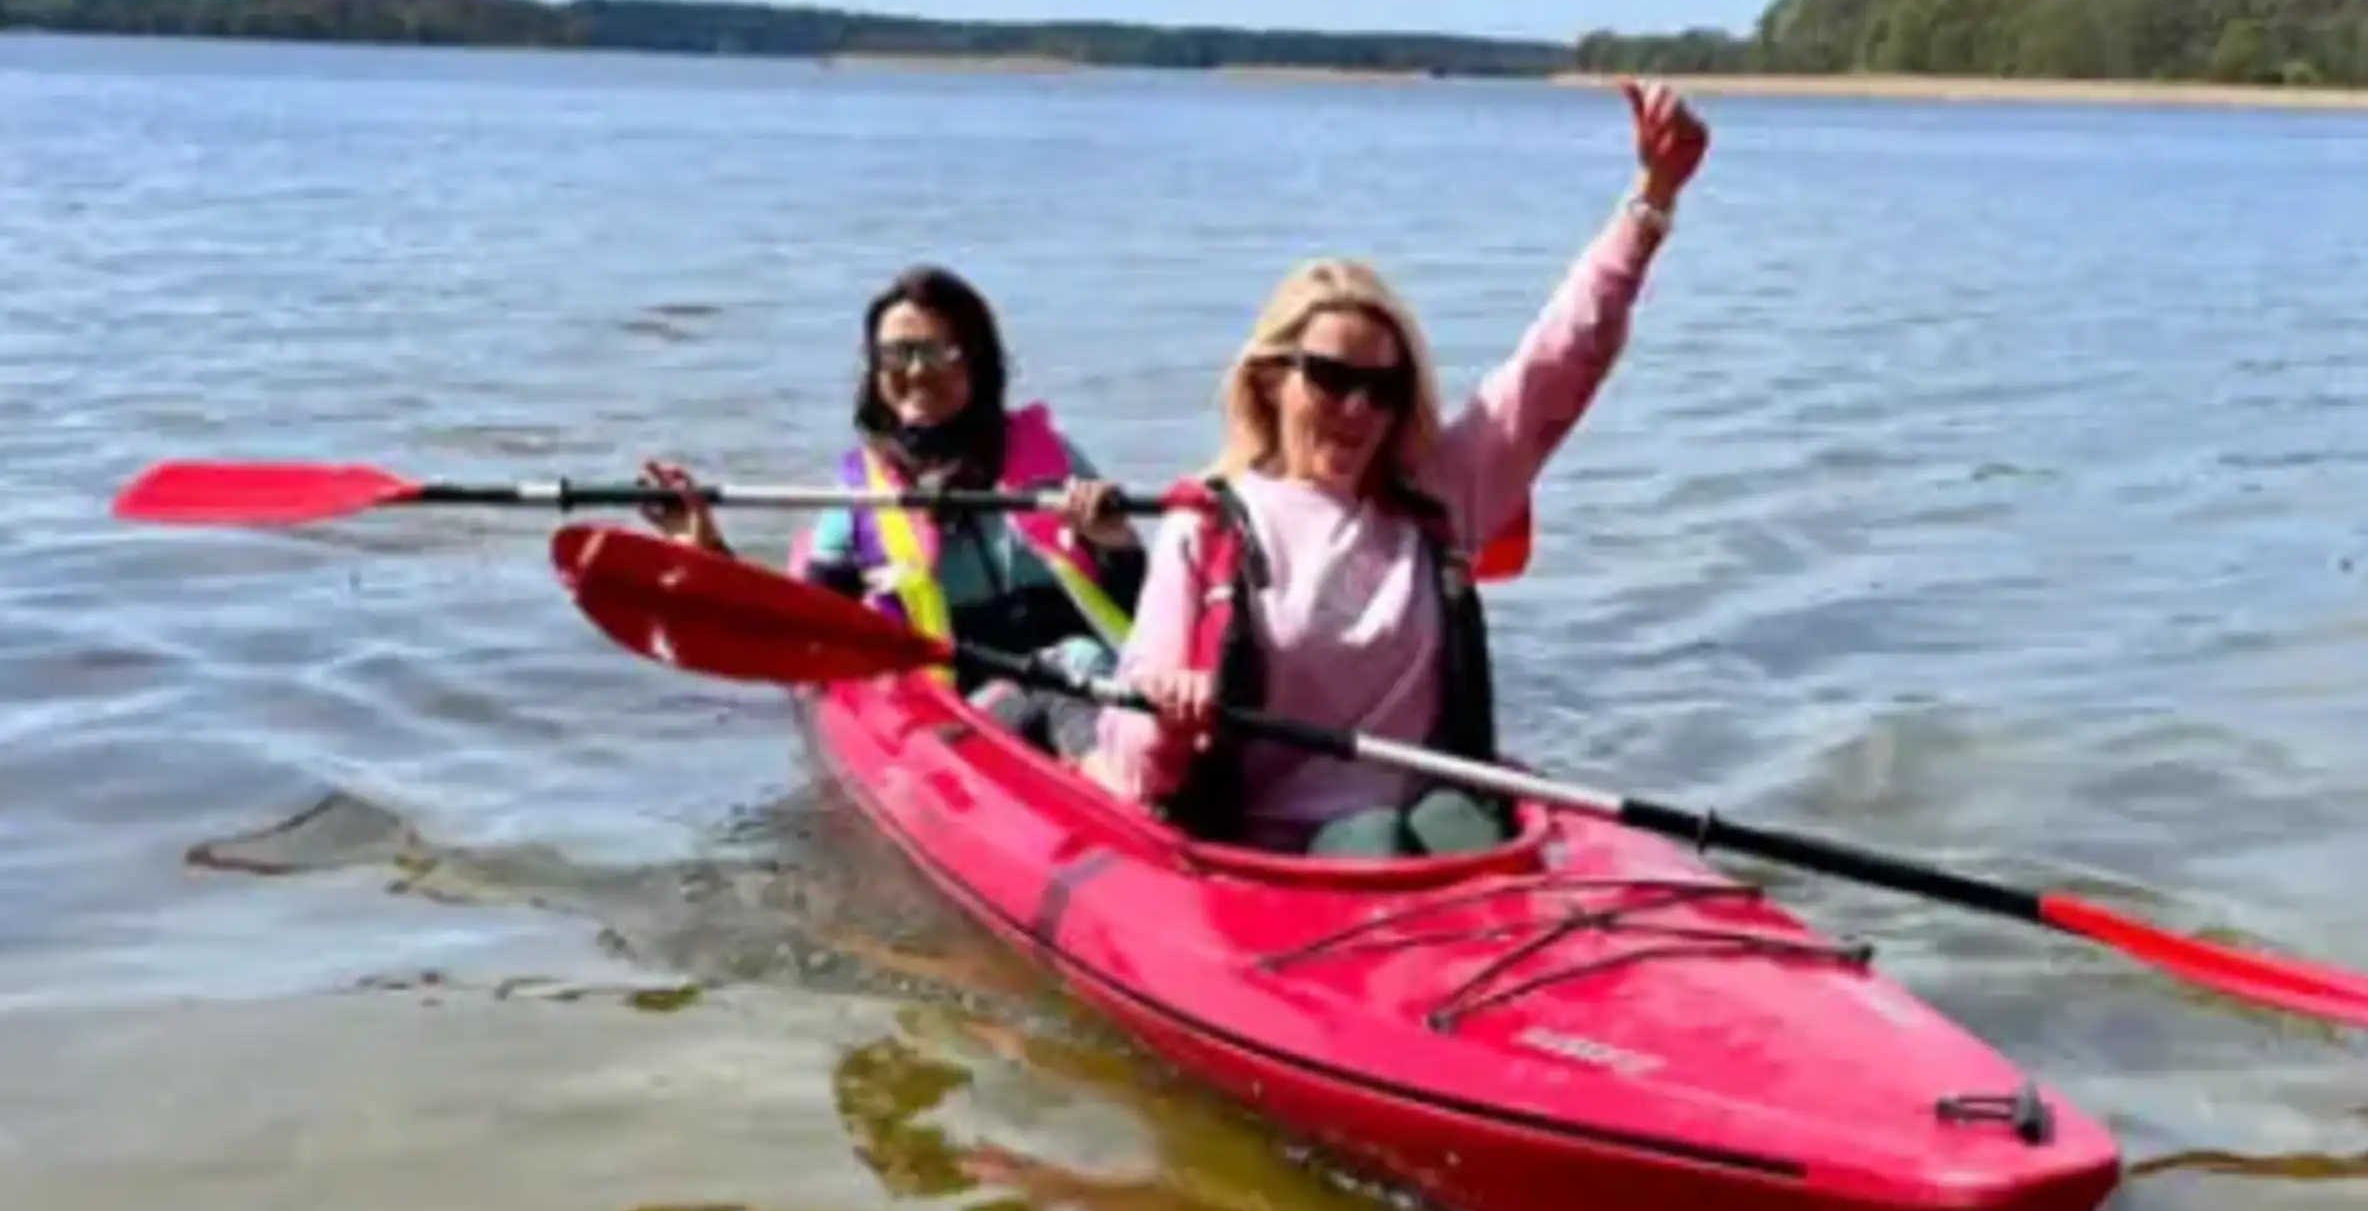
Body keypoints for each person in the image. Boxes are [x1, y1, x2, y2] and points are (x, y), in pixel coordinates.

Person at [1093, 78, 1711, 856]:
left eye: (1383, 388)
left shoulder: (1437, 498)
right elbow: (1129, 749)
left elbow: (1558, 363)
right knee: (1375, 834)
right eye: (1330, 378)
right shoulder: (1206, 525)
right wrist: (1167, 714)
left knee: (1450, 820)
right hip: (1281, 857)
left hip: (1436, 834)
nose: (1358, 409)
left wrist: (1651, 201)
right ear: (1270, 379)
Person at [638, 264, 1145, 755]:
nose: (918, 370)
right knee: (1071, 669)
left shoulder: (1052, 458)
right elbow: (799, 632)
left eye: (939, 350)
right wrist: (706, 550)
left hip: (1096, 687)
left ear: (977, 361)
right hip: (967, 715)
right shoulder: (863, 492)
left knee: (1089, 667)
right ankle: (1127, 797)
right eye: (898, 354)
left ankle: (1137, 779)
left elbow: (1144, 611)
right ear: (876, 369)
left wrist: (1115, 544)